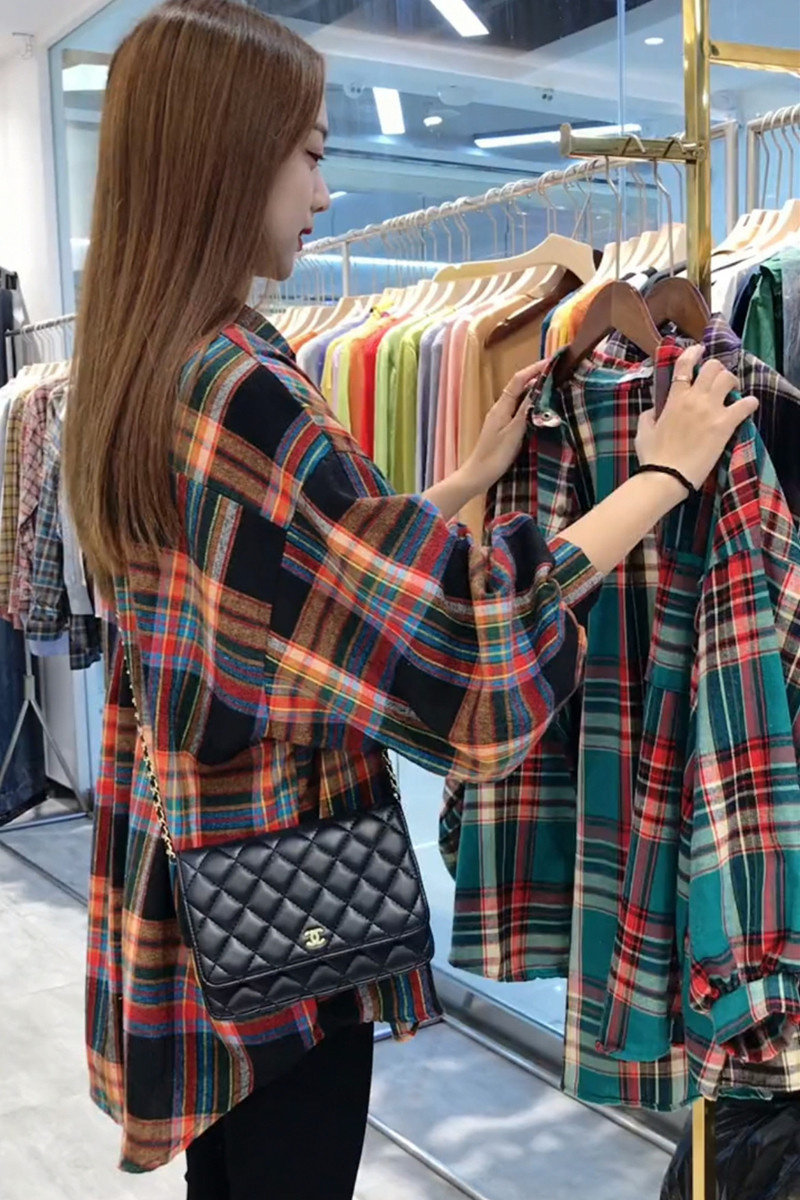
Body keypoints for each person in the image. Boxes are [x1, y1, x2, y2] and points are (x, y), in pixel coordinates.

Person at [63, 2, 758, 1197]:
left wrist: (461, 484)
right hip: (290, 912)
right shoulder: (247, 388)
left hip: (205, 898)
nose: (324, 193)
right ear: (228, 159)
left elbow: (290, 588)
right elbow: (467, 656)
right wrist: (660, 476)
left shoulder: (151, 368)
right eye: (309, 153)